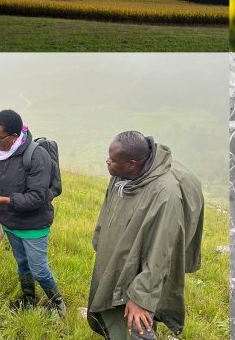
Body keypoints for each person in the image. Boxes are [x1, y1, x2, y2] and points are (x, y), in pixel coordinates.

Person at [87, 131, 204, 340]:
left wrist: (141, 298)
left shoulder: (165, 195)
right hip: (119, 261)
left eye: (113, 159)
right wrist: (100, 241)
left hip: (143, 275)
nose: (107, 162)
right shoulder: (121, 176)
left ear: (131, 164)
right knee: (114, 315)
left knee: (139, 326)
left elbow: (162, 253)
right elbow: (108, 211)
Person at [0, 109, 66, 316]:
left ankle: (58, 306)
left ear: (13, 136)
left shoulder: (37, 156)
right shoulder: (1, 152)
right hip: (10, 223)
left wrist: (5, 200)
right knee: (22, 265)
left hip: (33, 225)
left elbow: (37, 198)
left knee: (39, 269)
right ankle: (28, 300)